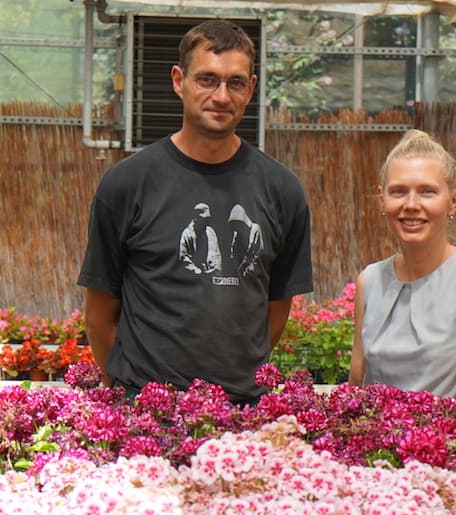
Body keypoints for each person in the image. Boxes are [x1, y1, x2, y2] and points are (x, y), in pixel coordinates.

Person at [77, 19, 313, 405]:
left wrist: (230, 384)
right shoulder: (127, 184)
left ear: (251, 89)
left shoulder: (282, 190)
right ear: (178, 81)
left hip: (242, 412)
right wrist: (137, 395)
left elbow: (276, 307)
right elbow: (100, 314)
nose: (221, 95)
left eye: (235, 82)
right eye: (207, 79)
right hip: (147, 411)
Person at [348, 129, 456, 440]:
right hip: (372, 468)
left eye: (427, 192)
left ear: (453, 201)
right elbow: (356, 388)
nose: (411, 205)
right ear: (382, 199)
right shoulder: (369, 280)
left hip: (441, 467)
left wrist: (453, 475)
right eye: (398, 192)